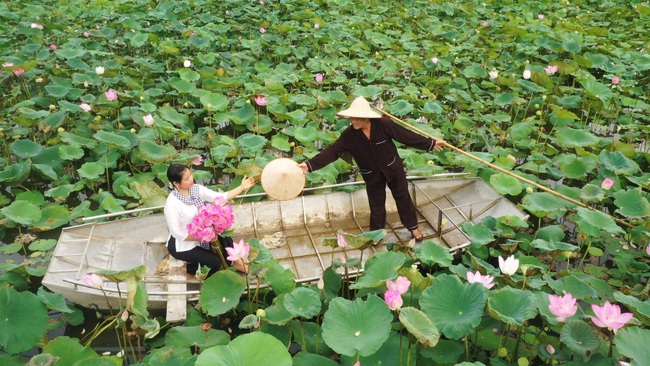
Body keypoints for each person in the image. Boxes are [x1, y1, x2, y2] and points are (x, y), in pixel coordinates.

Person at [298, 96, 448, 241]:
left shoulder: (384, 124)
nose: (353, 121)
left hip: (392, 168)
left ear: (366, 117)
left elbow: (405, 136)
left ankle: (413, 228)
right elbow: (332, 151)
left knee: (402, 197)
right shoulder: (349, 135)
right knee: (376, 203)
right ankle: (376, 234)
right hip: (371, 174)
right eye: (351, 118)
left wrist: (430, 144)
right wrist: (309, 165)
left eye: (356, 118)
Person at [164, 164, 255, 278]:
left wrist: (241, 187)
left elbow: (219, 197)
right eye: (187, 179)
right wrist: (205, 237)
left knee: (226, 238)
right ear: (176, 183)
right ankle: (191, 272)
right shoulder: (172, 204)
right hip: (183, 243)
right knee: (215, 262)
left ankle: (238, 264)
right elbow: (177, 233)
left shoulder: (196, 189)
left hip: (203, 232)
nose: (191, 179)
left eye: (190, 175)